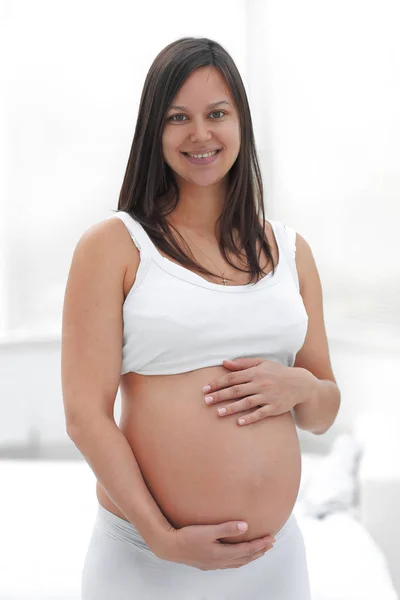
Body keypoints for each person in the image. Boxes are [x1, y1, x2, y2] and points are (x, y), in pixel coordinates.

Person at [61, 36, 340, 600]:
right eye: (178, 118)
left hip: (274, 561)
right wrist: (161, 537)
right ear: (153, 131)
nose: (201, 134)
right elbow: (85, 417)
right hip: (147, 560)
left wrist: (300, 386)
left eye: (217, 114)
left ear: (241, 123)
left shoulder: (290, 252)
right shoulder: (116, 246)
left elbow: (324, 410)